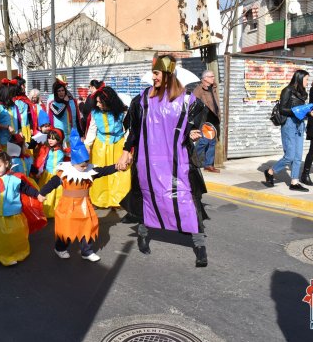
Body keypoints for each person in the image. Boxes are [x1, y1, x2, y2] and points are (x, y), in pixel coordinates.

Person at [117, 54, 210, 267]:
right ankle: (143, 234)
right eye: (154, 73)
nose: (153, 77)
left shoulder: (187, 101)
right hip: (147, 162)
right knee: (149, 198)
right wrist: (125, 151)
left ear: (168, 75)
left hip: (177, 163)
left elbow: (195, 124)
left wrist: (194, 131)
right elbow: (134, 130)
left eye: (157, 73)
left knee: (186, 201)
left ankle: (199, 245)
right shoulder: (142, 101)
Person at [38, 129, 125, 262]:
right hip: (67, 207)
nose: (85, 168)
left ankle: (87, 251)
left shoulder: (90, 171)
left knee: (88, 227)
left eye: (86, 165)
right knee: (65, 229)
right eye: (82, 166)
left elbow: (104, 170)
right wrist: (42, 193)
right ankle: (60, 248)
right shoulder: (64, 173)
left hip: (85, 205)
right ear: (73, 162)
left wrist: (116, 167)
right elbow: (52, 183)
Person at [0, 150, 40, 266]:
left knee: (14, 235)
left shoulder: (16, 178)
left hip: (13, 214)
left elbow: (26, 189)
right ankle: (3, 255)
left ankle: (14, 253)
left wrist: (37, 195)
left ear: (6, 164)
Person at [264, 70, 313, 192]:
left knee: (298, 156)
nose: (308, 82)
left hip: (300, 124)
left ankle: (294, 182)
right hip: (289, 124)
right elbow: (282, 109)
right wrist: (297, 110)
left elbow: (301, 110)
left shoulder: (302, 93)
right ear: (300, 78)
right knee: (290, 156)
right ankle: (270, 171)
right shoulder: (287, 90)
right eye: (306, 79)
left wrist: (308, 112)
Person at [84, 85, 131, 209]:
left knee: (121, 171)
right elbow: (92, 129)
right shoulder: (95, 112)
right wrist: (87, 145)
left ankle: (120, 199)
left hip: (118, 144)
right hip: (100, 145)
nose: (98, 104)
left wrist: (128, 149)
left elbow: (128, 130)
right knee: (100, 172)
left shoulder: (123, 112)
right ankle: (100, 199)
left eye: (100, 102)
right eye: (97, 102)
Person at [32, 127, 66, 218]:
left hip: (56, 175)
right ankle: (46, 210)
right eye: (49, 138)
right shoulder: (48, 149)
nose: (50, 140)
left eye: (53, 138)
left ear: (59, 140)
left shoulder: (60, 151)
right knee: (47, 191)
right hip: (47, 173)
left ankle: (54, 210)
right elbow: (42, 160)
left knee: (55, 193)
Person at [193, 70, 221, 173]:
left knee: (212, 143)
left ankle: (208, 165)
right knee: (203, 142)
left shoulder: (213, 88)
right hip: (204, 120)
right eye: (211, 76)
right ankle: (190, 161)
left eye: (213, 76)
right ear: (205, 78)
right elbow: (193, 104)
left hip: (213, 119)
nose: (213, 78)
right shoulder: (198, 89)